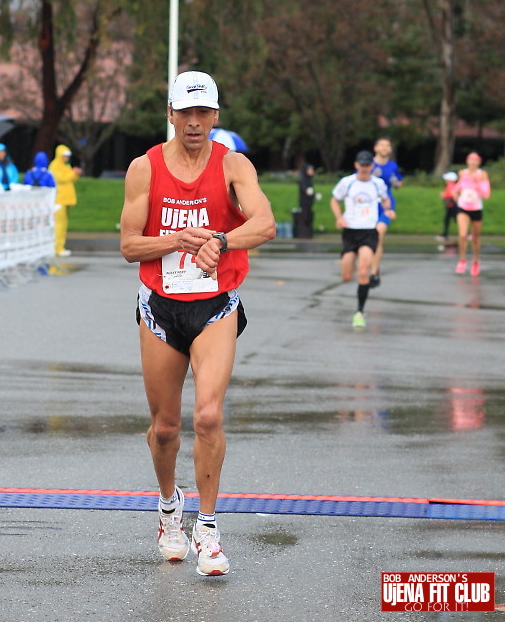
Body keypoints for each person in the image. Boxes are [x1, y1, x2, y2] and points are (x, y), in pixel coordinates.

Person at [120, 70, 275, 577]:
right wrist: (178, 240)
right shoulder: (144, 168)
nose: (193, 122)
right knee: (165, 428)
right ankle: (170, 507)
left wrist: (221, 241)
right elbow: (129, 246)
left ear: (215, 116)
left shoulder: (233, 164)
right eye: (184, 112)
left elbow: (265, 223)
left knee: (208, 416)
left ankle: (207, 528)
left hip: (215, 305)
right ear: (170, 114)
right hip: (160, 307)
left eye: (202, 112)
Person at [330, 150, 394, 329]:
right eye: (362, 165)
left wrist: (388, 209)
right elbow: (334, 200)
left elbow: (385, 200)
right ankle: (352, 273)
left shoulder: (378, 184)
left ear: (372, 166)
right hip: (350, 231)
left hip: (369, 231)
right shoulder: (347, 182)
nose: (365, 168)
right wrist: (339, 218)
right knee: (346, 276)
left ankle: (359, 312)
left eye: (368, 165)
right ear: (356, 165)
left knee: (364, 272)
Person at [369, 137, 402, 287]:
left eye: (387, 146)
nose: (384, 148)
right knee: (368, 238)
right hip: (369, 206)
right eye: (381, 145)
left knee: (379, 233)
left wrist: (396, 182)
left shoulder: (393, 166)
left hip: (386, 205)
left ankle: (374, 272)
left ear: (390, 149)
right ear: (376, 148)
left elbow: (398, 184)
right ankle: (367, 263)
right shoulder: (368, 164)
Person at [452, 152, 490, 276]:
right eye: (471, 159)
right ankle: (462, 260)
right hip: (463, 208)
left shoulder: (482, 174)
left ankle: (476, 261)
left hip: (476, 208)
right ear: (467, 161)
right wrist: (456, 196)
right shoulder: (462, 173)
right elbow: (456, 188)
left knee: (475, 237)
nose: (473, 162)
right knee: (462, 235)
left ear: (479, 162)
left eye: (475, 160)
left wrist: (477, 182)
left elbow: (486, 194)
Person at [49, 145, 82, 257]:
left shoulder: (66, 165)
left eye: (68, 156)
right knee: (59, 225)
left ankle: (61, 246)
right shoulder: (54, 165)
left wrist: (75, 174)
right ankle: (57, 248)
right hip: (59, 199)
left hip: (66, 199)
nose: (66, 157)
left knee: (63, 225)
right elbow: (61, 178)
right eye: (65, 155)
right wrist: (73, 173)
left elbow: (70, 179)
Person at [296, 163, 317, 238]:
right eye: (310, 170)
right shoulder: (303, 180)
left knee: (308, 217)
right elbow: (306, 190)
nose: (312, 171)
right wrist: (312, 194)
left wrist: (314, 195)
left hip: (309, 203)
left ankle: (308, 234)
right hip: (304, 202)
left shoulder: (309, 179)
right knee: (304, 218)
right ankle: (303, 234)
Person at [436, 171, 458, 243]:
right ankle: (445, 234)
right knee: (449, 219)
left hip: (452, 206)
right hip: (451, 205)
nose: (445, 180)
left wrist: (444, 195)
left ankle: (445, 235)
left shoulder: (451, 185)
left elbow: (453, 195)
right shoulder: (450, 185)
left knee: (453, 220)